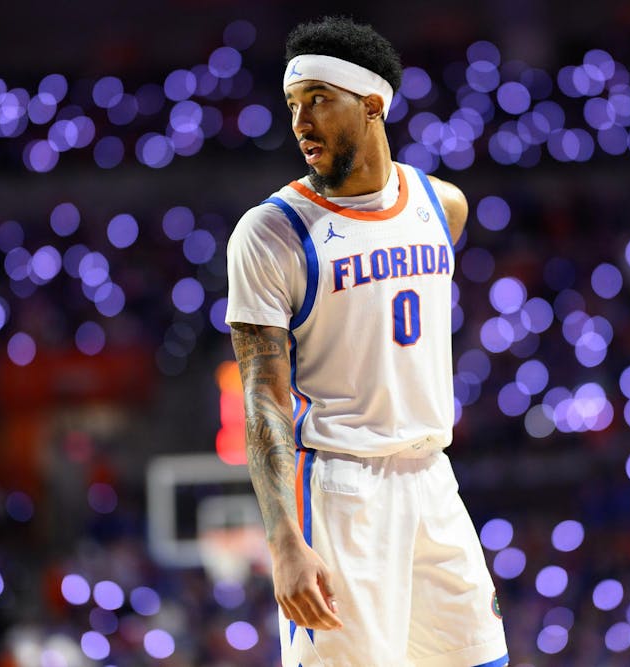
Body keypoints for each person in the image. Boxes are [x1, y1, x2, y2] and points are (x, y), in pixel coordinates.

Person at [225, 16, 509, 667]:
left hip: (432, 475)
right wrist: (284, 541)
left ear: (372, 104)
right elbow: (261, 400)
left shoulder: (445, 206)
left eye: (319, 99)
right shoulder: (269, 235)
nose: (301, 121)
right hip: (340, 489)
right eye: (294, 104)